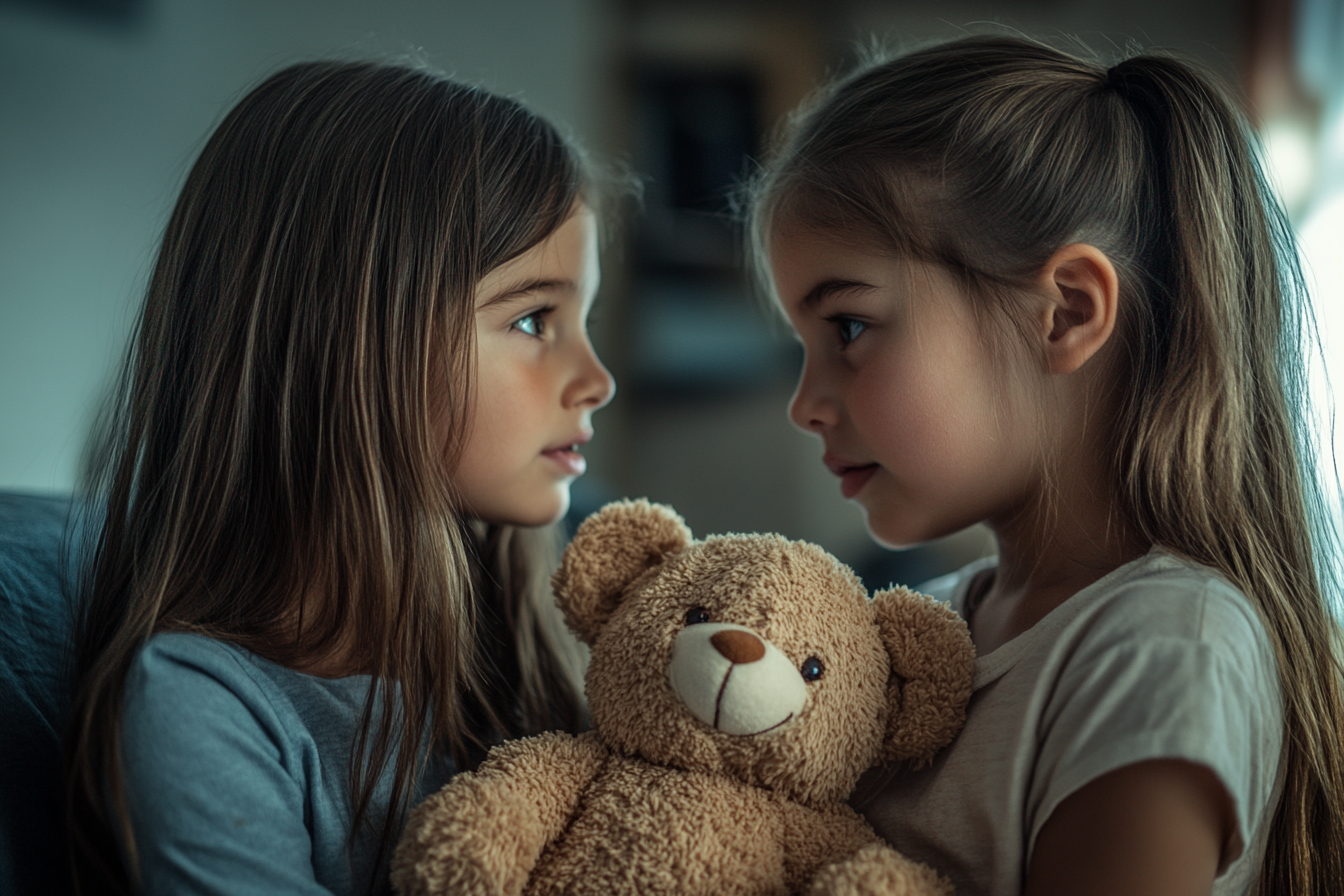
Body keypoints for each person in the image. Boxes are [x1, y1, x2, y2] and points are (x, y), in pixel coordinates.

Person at [749, 35, 1344, 896]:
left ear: (1064, 312)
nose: (805, 401)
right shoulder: (929, 632)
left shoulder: (1163, 647)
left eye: (847, 327)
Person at [63, 60, 614, 896]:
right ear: (346, 336)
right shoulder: (204, 709)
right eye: (535, 319)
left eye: (587, 318)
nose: (598, 378)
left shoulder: (562, 652)